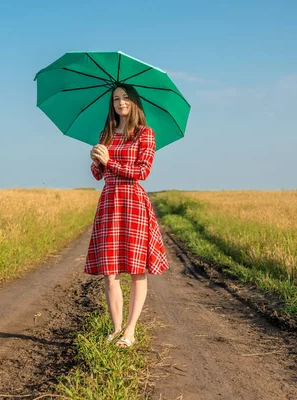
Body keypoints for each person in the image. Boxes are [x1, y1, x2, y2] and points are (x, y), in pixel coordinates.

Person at [85, 83, 169, 348]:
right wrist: (96, 159)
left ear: (134, 103)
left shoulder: (145, 134)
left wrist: (110, 162)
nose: (120, 102)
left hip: (133, 202)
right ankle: (116, 329)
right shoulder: (106, 134)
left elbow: (143, 172)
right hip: (109, 202)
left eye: (125, 98)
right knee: (110, 273)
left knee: (136, 270)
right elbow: (99, 175)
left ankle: (130, 331)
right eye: (116, 99)